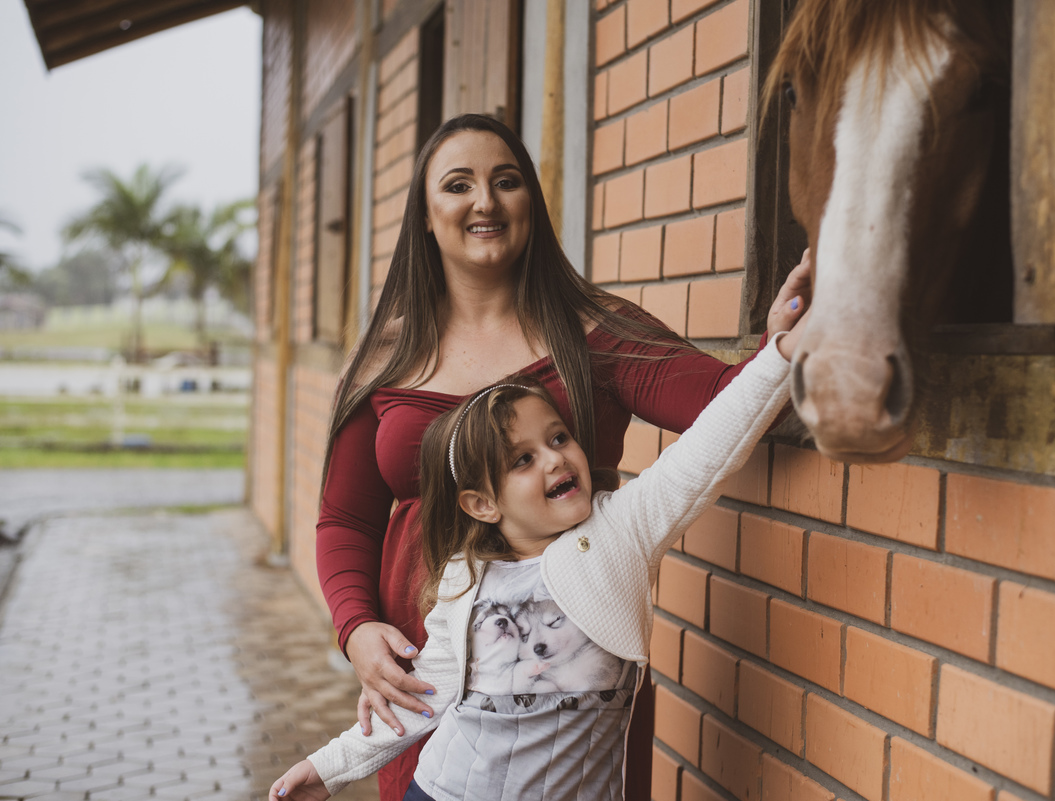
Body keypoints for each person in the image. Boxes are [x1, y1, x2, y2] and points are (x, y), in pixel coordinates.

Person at [316, 113, 811, 800]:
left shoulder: (596, 332)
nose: (485, 201)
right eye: (458, 185)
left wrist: (788, 339)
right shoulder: (383, 356)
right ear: (426, 216)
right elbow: (344, 519)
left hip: (573, 686)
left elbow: (724, 406)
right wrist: (357, 627)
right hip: (425, 668)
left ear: (531, 206)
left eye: (506, 181)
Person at [272, 311, 808, 801]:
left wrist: (782, 354)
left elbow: (708, 448)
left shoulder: (623, 530)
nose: (555, 459)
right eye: (523, 459)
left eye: (559, 437)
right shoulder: (464, 581)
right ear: (482, 504)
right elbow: (418, 703)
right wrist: (326, 770)